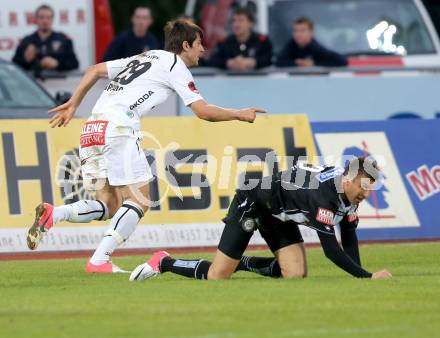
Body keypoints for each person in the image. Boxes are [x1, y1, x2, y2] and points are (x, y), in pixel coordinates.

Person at [26, 19, 266, 273]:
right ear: (185, 45)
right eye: (199, 44)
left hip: (92, 129)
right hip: (119, 130)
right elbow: (203, 111)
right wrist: (238, 113)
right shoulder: (176, 66)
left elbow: (94, 70)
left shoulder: (147, 56)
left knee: (109, 205)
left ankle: (54, 214)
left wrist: (74, 104)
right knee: (140, 201)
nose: (203, 49)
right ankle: (99, 261)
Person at [130, 157, 392, 281]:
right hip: (253, 202)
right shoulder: (324, 198)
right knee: (217, 276)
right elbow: (331, 251)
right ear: (347, 180)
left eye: (371, 187)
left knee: (295, 274)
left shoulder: (349, 192)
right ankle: (163, 262)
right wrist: (367, 277)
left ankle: (240, 262)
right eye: (363, 187)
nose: (366, 193)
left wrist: (360, 280)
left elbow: (348, 233)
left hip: (279, 212)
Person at [12, 4, 79, 72]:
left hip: (58, 81)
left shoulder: (64, 40)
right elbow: (14, 66)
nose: (45, 21)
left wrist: (57, 64)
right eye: (41, 17)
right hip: (33, 81)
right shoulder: (26, 41)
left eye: (48, 17)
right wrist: (25, 60)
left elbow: (74, 64)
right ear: (36, 19)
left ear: (52, 19)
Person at [276, 17, 347, 67]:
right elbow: (278, 61)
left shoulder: (315, 48)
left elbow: (341, 61)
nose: (298, 34)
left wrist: (314, 64)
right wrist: (297, 63)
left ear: (311, 32)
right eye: (295, 31)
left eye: (302, 30)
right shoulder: (291, 45)